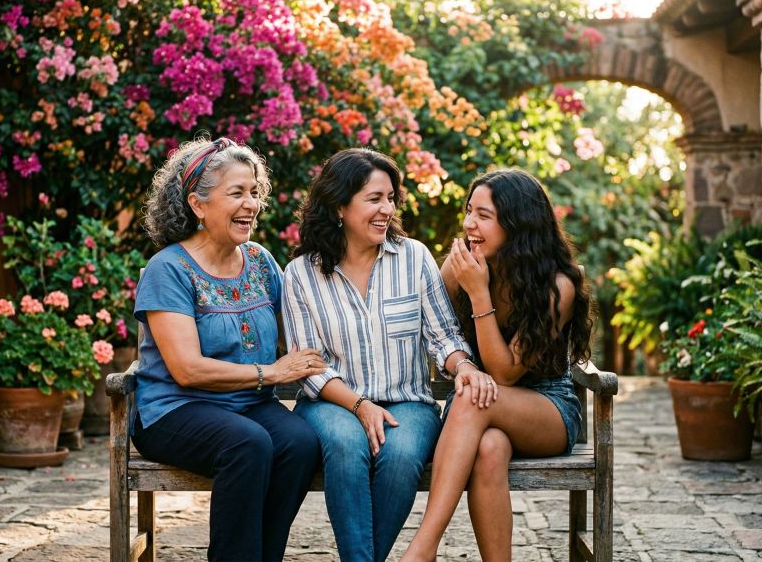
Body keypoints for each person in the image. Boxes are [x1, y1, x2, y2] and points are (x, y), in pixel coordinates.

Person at [282, 148, 493, 562]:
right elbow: (310, 367)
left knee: (399, 455)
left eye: (391, 198)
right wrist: (360, 406)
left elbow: (443, 335)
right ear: (340, 205)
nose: (386, 209)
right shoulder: (301, 274)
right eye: (373, 198)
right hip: (330, 404)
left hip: (408, 402)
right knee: (346, 445)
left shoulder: (413, 257)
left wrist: (463, 365)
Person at [131, 136, 327, 561]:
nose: (251, 203)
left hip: (246, 406)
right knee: (248, 444)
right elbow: (187, 370)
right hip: (174, 409)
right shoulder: (169, 269)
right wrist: (271, 373)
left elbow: (294, 329)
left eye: (255, 191)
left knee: (300, 442)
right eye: (236, 192)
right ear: (198, 205)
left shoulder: (258, 260)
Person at [400, 168, 594, 562]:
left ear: (516, 224)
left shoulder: (557, 285)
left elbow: (504, 372)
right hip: (483, 411)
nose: (469, 223)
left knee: (473, 397)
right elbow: (434, 331)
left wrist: (478, 293)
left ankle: (422, 548)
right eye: (469, 211)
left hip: (546, 409)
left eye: (483, 215)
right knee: (489, 449)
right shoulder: (461, 266)